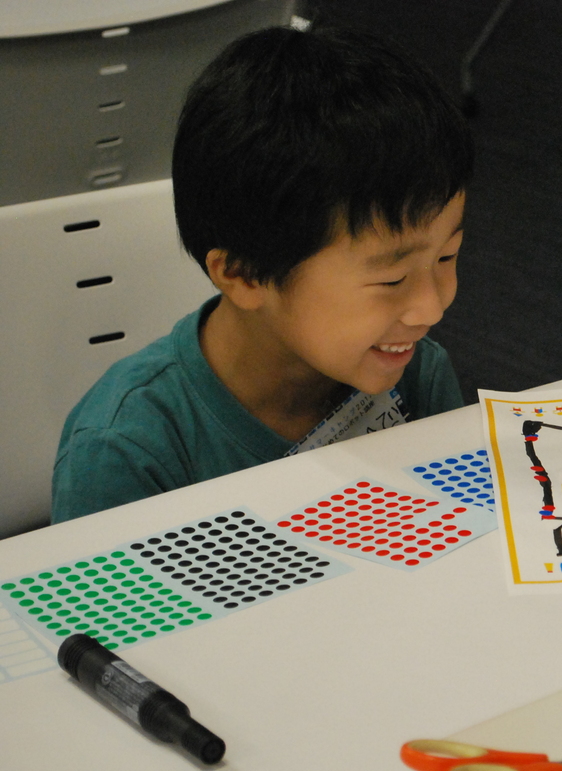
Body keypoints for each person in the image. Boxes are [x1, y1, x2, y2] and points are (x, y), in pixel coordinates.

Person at [52, 25, 473, 522]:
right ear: (245, 275)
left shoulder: (416, 373)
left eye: (446, 257)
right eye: (392, 280)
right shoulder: (127, 450)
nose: (431, 308)